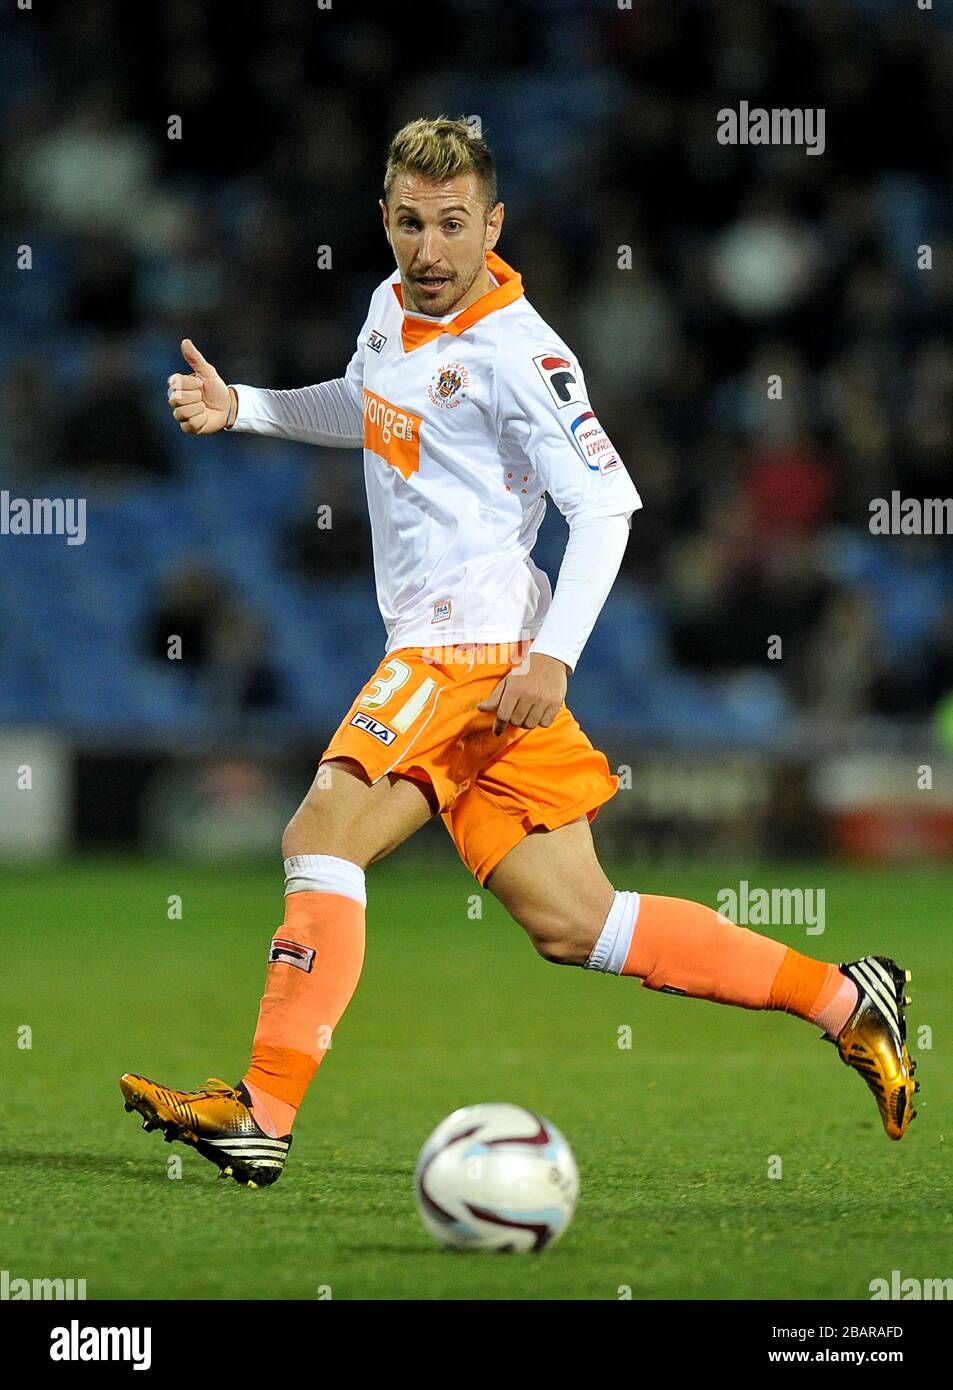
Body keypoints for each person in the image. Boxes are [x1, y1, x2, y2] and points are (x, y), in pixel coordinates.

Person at [121, 119, 918, 1192]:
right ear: (386, 221)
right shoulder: (388, 308)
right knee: (576, 920)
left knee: (321, 833)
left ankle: (260, 1110)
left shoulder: (522, 353)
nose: (430, 248)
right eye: (410, 222)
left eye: (453, 224)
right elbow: (369, 405)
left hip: (471, 645)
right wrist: (245, 408)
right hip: (464, 662)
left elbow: (606, 508)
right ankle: (844, 999)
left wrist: (554, 657)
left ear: (491, 224)